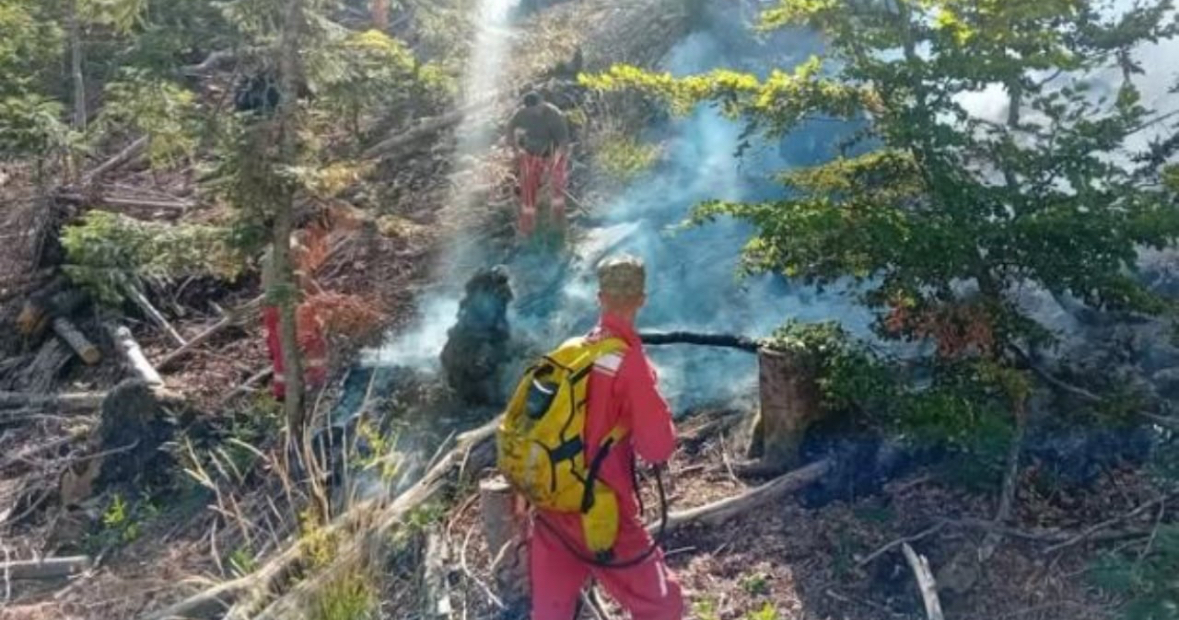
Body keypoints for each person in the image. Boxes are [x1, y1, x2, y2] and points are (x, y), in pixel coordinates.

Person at [529, 254, 684, 620]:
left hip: (553, 503)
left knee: (550, 611)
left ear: (600, 298)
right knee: (663, 606)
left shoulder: (570, 352)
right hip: (602, 511)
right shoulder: (631, 365)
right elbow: (658, 448)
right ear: (642, 300)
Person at [260, 233, 327, 401]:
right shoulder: (296, 252)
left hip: (271, 305)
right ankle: (318, 381)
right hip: (292, 305)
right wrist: (322, 298)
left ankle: (282, 391)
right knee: (313, 342)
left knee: (279, 348)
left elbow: (265, 284)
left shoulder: (270, 252)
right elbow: (304, 280)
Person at [506, 91, 571, 238]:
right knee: (528, 191)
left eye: (537, 108)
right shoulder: (522, 114)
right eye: (531, 110)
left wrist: (553, 166)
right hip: (531, 154)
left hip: (554, 154)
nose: (534, 112)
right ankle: (527, 230)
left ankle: (558, 229)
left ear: (542, 102)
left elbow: (563, 143)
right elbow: (510, 128)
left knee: (557, 192)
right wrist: (516, 150)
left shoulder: (555, 115)